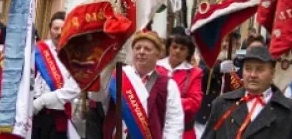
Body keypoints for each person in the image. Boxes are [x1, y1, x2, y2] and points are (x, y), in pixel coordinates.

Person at [86, 30, 184, 138]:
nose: (141, 52)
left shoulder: (168, 85)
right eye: (137, 48)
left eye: (147, 49)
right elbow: (96, 97)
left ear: (158, 53)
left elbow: (174, 122)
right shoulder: (119, 75)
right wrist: (108, 66)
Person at [202, 45, 292, 139]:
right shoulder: (222, 104)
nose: (253, 75)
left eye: (260, 69)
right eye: (248, 68)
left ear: (272, 73)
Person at [32, 11, 80, 139]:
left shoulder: (75, 54)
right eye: (56, 28)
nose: (59, 32)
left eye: (63, 29)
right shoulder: (38, 49)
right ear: (50, 29)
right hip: (35, 116)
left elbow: (73, 90)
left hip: (58, 117)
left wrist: (42, 101)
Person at [158, 30, 204, 139]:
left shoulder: (194, 73)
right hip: (155, 129)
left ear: (188, 52)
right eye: (174, 47)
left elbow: (194, 103)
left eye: (182, 49)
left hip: (183, 132)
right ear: (169, 48)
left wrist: (168, 102)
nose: (177, 51)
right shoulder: (156, 67)